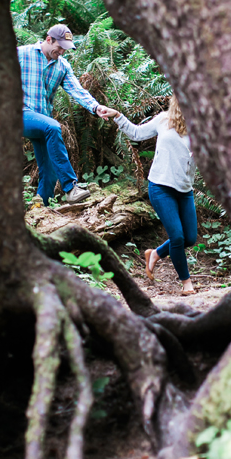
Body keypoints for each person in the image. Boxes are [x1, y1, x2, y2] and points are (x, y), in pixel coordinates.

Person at [99, 96, 197, 294]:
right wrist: (117, 115)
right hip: (161, 187)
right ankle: (187, 284)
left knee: (190, 238)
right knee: (177, 237)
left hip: (185, 190)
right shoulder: (163, 120)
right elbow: (135, 133)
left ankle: (155, 254)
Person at [18, 24, 110, 205]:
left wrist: (95, 107)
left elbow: (77, 90)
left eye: (65, 49)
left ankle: (41, 210)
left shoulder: (62, 66)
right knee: (53, 126)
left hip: (40, 121)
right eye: (59, 47)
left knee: (50, 172)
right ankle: (70, 187)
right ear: (48, 39)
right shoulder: (22, 54)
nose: (61, 52)